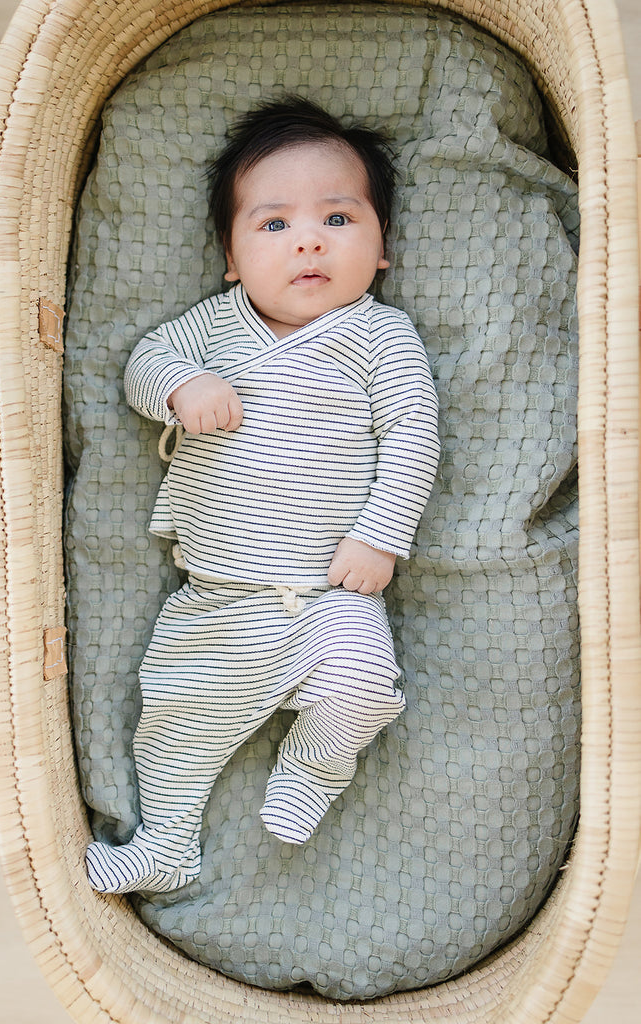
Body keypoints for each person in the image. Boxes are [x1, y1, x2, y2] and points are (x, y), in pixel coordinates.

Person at [85, 96, 440, 895]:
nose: (308, 239)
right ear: (231, 257)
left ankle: (318, 761)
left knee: (359, 687)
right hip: (219, 596)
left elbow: (413, 439)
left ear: (381, 249)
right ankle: (166, 844)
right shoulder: (209, 328)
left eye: (339, 218)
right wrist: (179, 385)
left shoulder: (380, 339)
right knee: (173, 721)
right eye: (273, 224)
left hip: (329, 591)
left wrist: (379, 536)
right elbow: (143, 359)